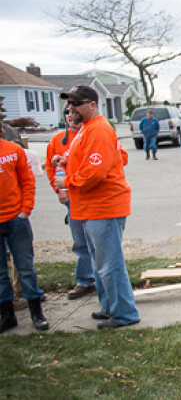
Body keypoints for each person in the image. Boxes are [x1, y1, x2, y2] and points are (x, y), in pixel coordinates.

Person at [54, 85, 140, 330]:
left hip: (104, 207)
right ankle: (110, 307)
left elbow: (95, 172)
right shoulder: (85, 130)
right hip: (90, 208)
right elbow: (117, 156)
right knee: (98, 263)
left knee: (109, 264)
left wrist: (67, 180)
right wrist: (68, 160)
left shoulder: (99, 129)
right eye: (69, 104)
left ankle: (124, 313)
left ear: (92, 104)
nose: (72, 108)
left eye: (77, 103)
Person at [44, 106, 95, 300]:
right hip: (72, 199)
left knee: (97, 241)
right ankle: (85, 280)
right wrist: (58, 189)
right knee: (80, 241)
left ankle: (100, 280)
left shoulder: (90, 135)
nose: (70, 116)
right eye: (66, 113)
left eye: (73, 111)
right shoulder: (57, 141)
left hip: (91, 197)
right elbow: (50, 167)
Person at [0, 131, 49, 333]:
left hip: (15, 220)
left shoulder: (13, 150)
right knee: (1, 272)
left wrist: (25, 210)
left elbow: (27, 181)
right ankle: (7, 315)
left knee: (25, 268)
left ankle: (36, 313)